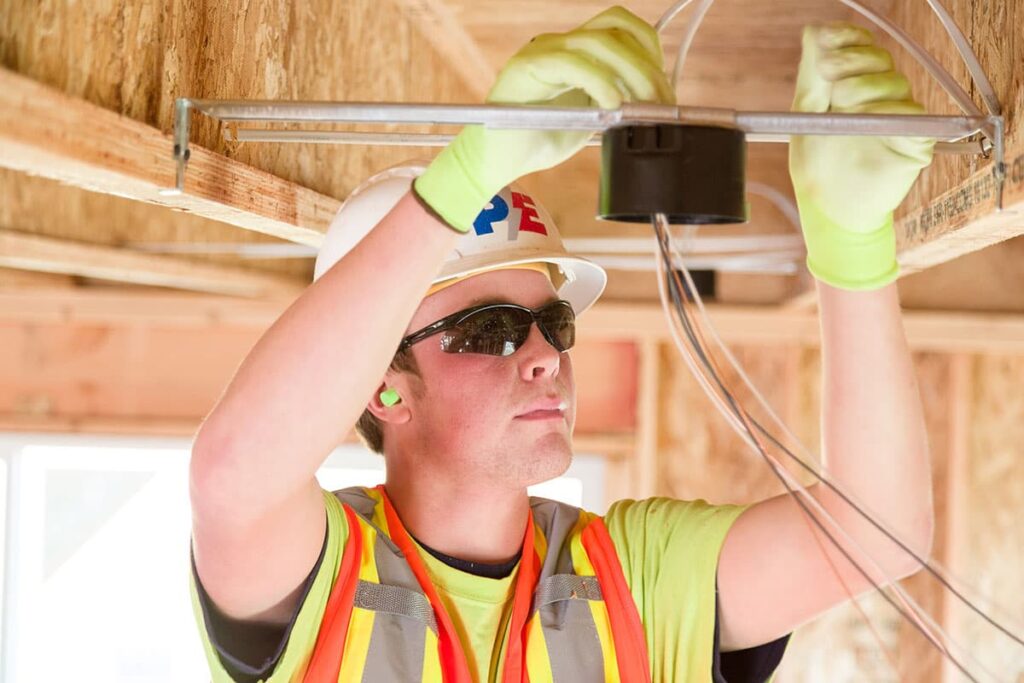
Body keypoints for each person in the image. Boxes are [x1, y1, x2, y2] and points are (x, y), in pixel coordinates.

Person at [189, 7, 935, 682]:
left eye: (555, 323)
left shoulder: (636, 580)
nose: (545, 354)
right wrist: (463, 176)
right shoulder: (319, 576)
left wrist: (851, 244)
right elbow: (233, 474)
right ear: (383, 388)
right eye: (491, 330)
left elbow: (878, 532)